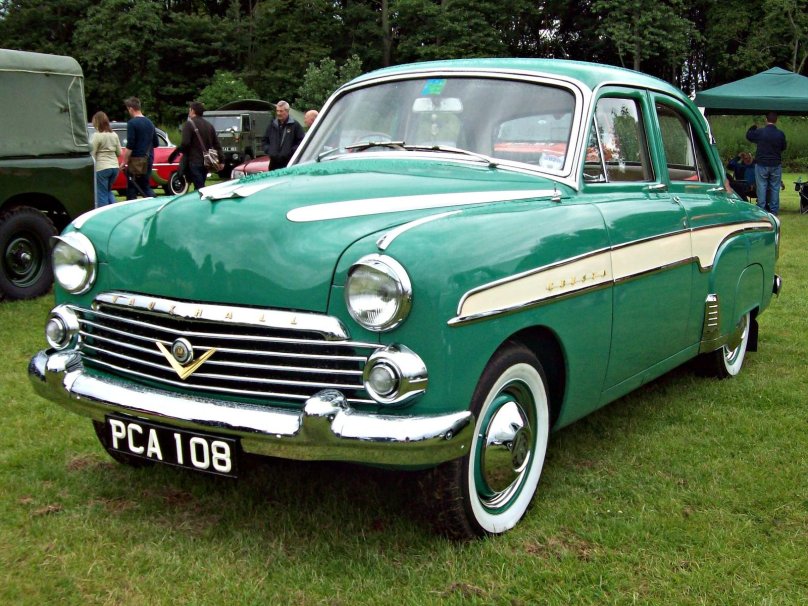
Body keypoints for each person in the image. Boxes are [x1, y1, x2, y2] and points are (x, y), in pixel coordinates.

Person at [168, 101, 223, 191]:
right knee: (200, 183)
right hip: (207, 162)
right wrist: (222, 160)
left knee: (199, 187)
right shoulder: (209, 126)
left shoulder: (189, 125)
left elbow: (185, 143)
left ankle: (201, 202)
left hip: (194, 160)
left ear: (193, 111)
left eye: (190, 109)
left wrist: (178, 152)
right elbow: (217, 144)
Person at [746, 112, 787, 214]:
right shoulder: (780, 134)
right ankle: (774, 211)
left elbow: (749, 136)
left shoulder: (760, 132)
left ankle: (761, 210)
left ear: (766, 119)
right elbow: (783, 147)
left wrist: (753, 127)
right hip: (775, 164)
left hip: (761, 164)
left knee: (761, 187)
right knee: (775, 187)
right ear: (776, 120)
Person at [121, 97, 159, 199]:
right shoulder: (150, 123)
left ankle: (132, 209)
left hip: (136, 161)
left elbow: (130, 145)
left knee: (132, 187)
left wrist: (124, 161)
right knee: (145, 185)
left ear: (131, 109)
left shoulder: (132, 123)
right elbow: (156, 143)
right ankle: (152, 203)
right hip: (148, 158)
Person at [89, 111, 122, 207]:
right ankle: (114, 209)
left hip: (102, 168)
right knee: (108, 191)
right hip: (114, 168)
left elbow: (92, 153)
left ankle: (103, 214)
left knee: (101, 194)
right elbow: (119, 153)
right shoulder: (114, 135)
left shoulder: (97, 135)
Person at [262, 100, 305, 170]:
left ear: (287, 111)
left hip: (289, 163)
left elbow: (301, 142)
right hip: (273, 163)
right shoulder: (272, 125)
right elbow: (264, 140)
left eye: (281, 111)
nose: (278, 113)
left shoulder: (295, 125)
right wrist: (269, 150)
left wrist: (290, 152)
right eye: (277, 111)